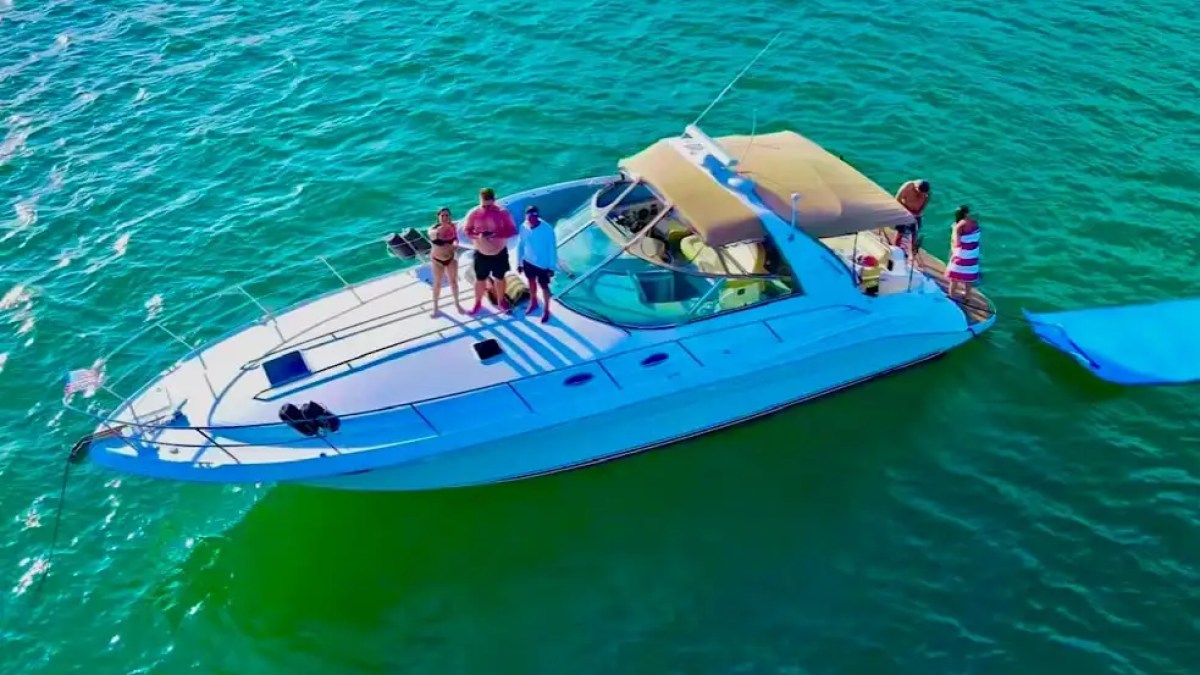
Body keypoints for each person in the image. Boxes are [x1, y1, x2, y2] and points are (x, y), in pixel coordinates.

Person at [464, 187, 517, 314]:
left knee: (499, 278)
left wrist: (496, 234)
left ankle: (501, 301)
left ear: (494, 200)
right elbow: (467, 231)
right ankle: (477, 303)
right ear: (480, 200)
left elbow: (512, 230)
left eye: (489, 206)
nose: (487, 208)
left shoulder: (503, 212)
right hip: (481, 253)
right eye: (484, 205)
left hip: (499, 253)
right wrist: (478, 236)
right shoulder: (474, 213)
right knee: (480, 279)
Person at [516, 204, 557, 323]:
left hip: (542, 264)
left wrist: (551, 266)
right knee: (531, 282)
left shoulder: (547, 229)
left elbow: (552, 249)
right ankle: (533, 302)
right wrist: (519, 263)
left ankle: (547, 309)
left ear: (538, 216)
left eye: (535, 216)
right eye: (530, 216)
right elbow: (521, 245)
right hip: (528, 261)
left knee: (544, 286)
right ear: (526, 216)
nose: (532, 219)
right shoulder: (523, 226)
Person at [427, 207, 465, 317]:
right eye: (442, 215)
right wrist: (444, 229)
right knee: (437, 283)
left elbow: (458, 237)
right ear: (438, 217)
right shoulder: (433, 229)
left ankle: (457, 304)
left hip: (450, 258)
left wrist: (456, 243)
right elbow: (434, 235)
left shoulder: (454, 227)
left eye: (447, 215)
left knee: (453, 282)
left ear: (450, 217)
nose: (444, 217)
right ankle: (435, 307)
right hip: (437, 260)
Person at [945, 205, 981, 300]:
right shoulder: (975, 222)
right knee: (968, 279)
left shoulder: (959, 226)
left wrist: (954, 230)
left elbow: (957, 243)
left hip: (962, 255)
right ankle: (967, 297)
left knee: (954, 278)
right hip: (973, 254)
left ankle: (951, 296)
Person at [893, 179, 930, 252]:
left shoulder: (926, 192)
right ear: (916, 188)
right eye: (920, 193)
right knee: (900, 232)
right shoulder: (907, 187)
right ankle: (895, 248)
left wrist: (918, 212)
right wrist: (905, 210)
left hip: (916, 213)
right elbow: (897, 199)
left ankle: (912, 250)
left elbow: (925, 202)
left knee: (915, 233)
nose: (921, 195)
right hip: (904, 210)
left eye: (923, 194)